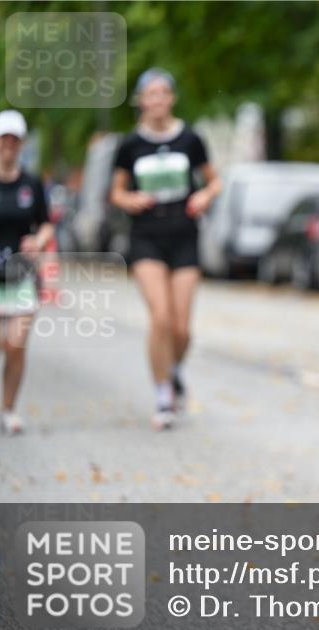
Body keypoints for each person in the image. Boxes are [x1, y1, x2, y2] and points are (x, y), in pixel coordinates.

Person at [110, 68, 220, 430]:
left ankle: (173, 369)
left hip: (184, 235)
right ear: (141, 101)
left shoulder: (190, 139)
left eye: (162, 93)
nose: (156, 100)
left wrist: (204, 195)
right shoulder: (130, 145)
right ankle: (162, 396)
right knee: (159, 317)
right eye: (149, 94)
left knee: (181, 328)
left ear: (171, 98)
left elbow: (214, 180)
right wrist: (130, 199)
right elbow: (116, 192)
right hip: (146, 237)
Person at [0, 110, 54, 435]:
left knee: (15, 345)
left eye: (15, 139)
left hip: (20, 275)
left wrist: (38, 240)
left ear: (21, 144)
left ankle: (8, 409)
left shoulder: (31, 183)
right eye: (3, 138)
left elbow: (47, 223)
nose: (9, 145)